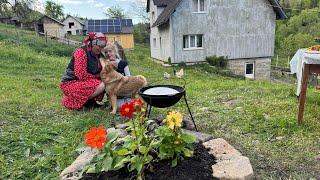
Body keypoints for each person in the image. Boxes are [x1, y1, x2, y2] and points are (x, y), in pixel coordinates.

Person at [60, 32, 107, 110]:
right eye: (99, 44)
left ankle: (89, 102)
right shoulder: (81, 51)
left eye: (103, 44)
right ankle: (77, 102)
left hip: (86, 82)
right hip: (71, 83)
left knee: (106, 82)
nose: (101, 47)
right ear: (92, 43)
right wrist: (98, 77)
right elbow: (80, 74)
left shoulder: (99, 54)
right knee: (102, 84)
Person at [102, 43, 131, 107]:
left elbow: (129, 77)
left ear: (115, 51)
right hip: (113, 95)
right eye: (106, 52)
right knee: (119, 106)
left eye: (110, 51)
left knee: (129, 105)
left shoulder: (123, 63)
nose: (108, 54)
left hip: (124, 91)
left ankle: (126, 99)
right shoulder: (105, 65)